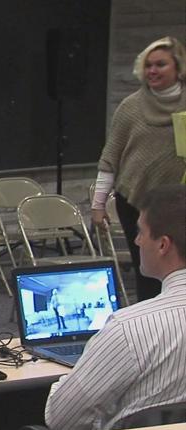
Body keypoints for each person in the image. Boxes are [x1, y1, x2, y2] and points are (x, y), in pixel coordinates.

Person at [45, 184, 186, 430]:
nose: (137, 241)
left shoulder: (129, 329)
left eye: (140, 232)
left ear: (163, 245)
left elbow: (61, 419)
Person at [91, 36, 186, 302]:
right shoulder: (130, 107)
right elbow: (110, 157)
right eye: (148, 65)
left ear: (178, 67)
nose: (152, 70)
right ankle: (147, 319)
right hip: (136, 201)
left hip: (180, 202)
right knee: (149, 271)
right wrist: (98, 205)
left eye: (160, 64)